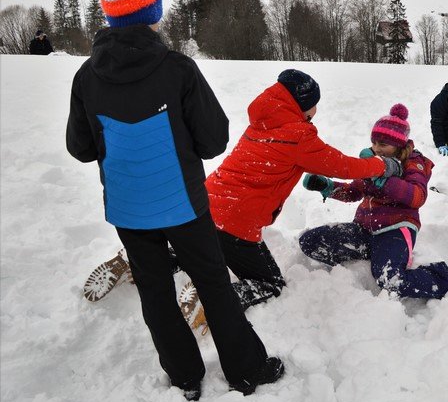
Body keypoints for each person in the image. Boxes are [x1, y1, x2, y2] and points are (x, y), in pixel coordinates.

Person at [66, 0, 281, 401]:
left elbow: (80, 148)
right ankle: (247, 370)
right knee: (213, 283)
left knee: (155, 290)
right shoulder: (178, 69)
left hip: (128, 208)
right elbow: (213, 141)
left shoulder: (86, 76)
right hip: (182, 204)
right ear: (151, 13)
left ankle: (184, 376)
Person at [82, 68, 403, 331]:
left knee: (197, 247)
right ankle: (211, 299)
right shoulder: (299, 136)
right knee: (270, 283)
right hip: (237, 221)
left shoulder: (261, 123)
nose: (316, 110)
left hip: (202, 204)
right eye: (314, 104)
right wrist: (382, 165)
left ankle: (139, 261)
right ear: (303, 104)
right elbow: (343, 166)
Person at [300, 104, 448, 299]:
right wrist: (327, 186)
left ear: (399, 145)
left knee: (390, 280)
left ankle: (444, 279)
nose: (377, 149)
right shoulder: (373, 162)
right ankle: (372, 254)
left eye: (383, 145)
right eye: (374, 143)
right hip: (364, 229)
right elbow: (354, 191)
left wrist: (385, 181)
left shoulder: (414, 163)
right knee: (310, 241)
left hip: (395, 230)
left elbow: (417, 196)